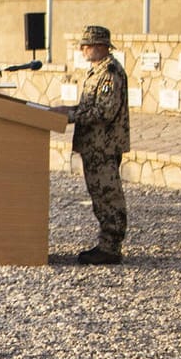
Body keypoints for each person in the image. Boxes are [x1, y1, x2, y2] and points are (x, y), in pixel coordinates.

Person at [58, 25, 130, 264]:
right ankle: (106, 245)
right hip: (93, 145)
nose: (82, 49)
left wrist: (70, 116)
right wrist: (67, 110)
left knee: (109, 196)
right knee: (99, 196)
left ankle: (111, 248)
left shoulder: (109, 73)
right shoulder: (96, 72)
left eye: (86, 45)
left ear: (101, 46)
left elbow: (103, 112)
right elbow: (90, 107)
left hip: (104, 146)